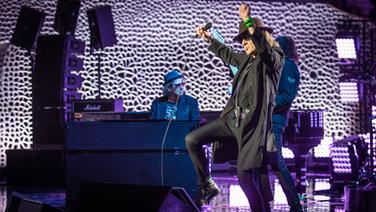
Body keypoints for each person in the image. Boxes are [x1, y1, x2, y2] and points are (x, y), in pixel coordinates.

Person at [185, 3, 284, 211]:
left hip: (251, 127)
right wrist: (209, 40)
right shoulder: (247, 60)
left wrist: (248, 21)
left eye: (247, 38)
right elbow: (227, 54)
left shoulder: (273, 59)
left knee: (245, 179)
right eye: (243, 40)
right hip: (232, 120)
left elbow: (265, 51)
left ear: (260, 35)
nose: (244, 43)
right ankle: (207, 184)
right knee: (192, 139)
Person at [259, 36, 302, 211]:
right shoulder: (278, 66)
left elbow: (287, 95)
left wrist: (267, 102)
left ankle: (295, 205)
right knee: (260, 164)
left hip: (275, 122)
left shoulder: (289, 66)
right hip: (264, 121)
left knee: (277, 162)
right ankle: (265, 205)